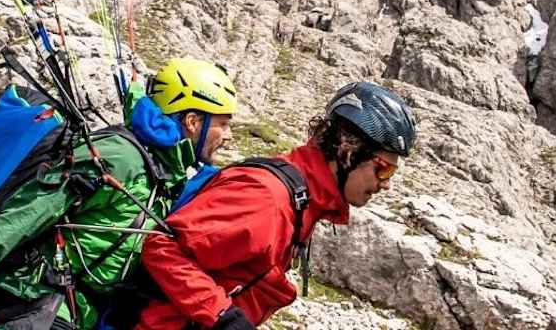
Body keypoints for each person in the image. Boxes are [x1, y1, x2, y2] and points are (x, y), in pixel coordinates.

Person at [0, 58, 240, 330]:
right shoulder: (119, 157)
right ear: (193, 121)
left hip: (73, 313)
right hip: (33, 304)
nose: (227, 135)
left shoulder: (165, 170)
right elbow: (26, 214)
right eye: (223, 124)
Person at [133, 81, 417, 330]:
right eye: (384, 169)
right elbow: (163, 247)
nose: (386, 184)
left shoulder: (305, 200)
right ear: (348, 150)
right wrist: (222, 315)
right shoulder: (268, 197)